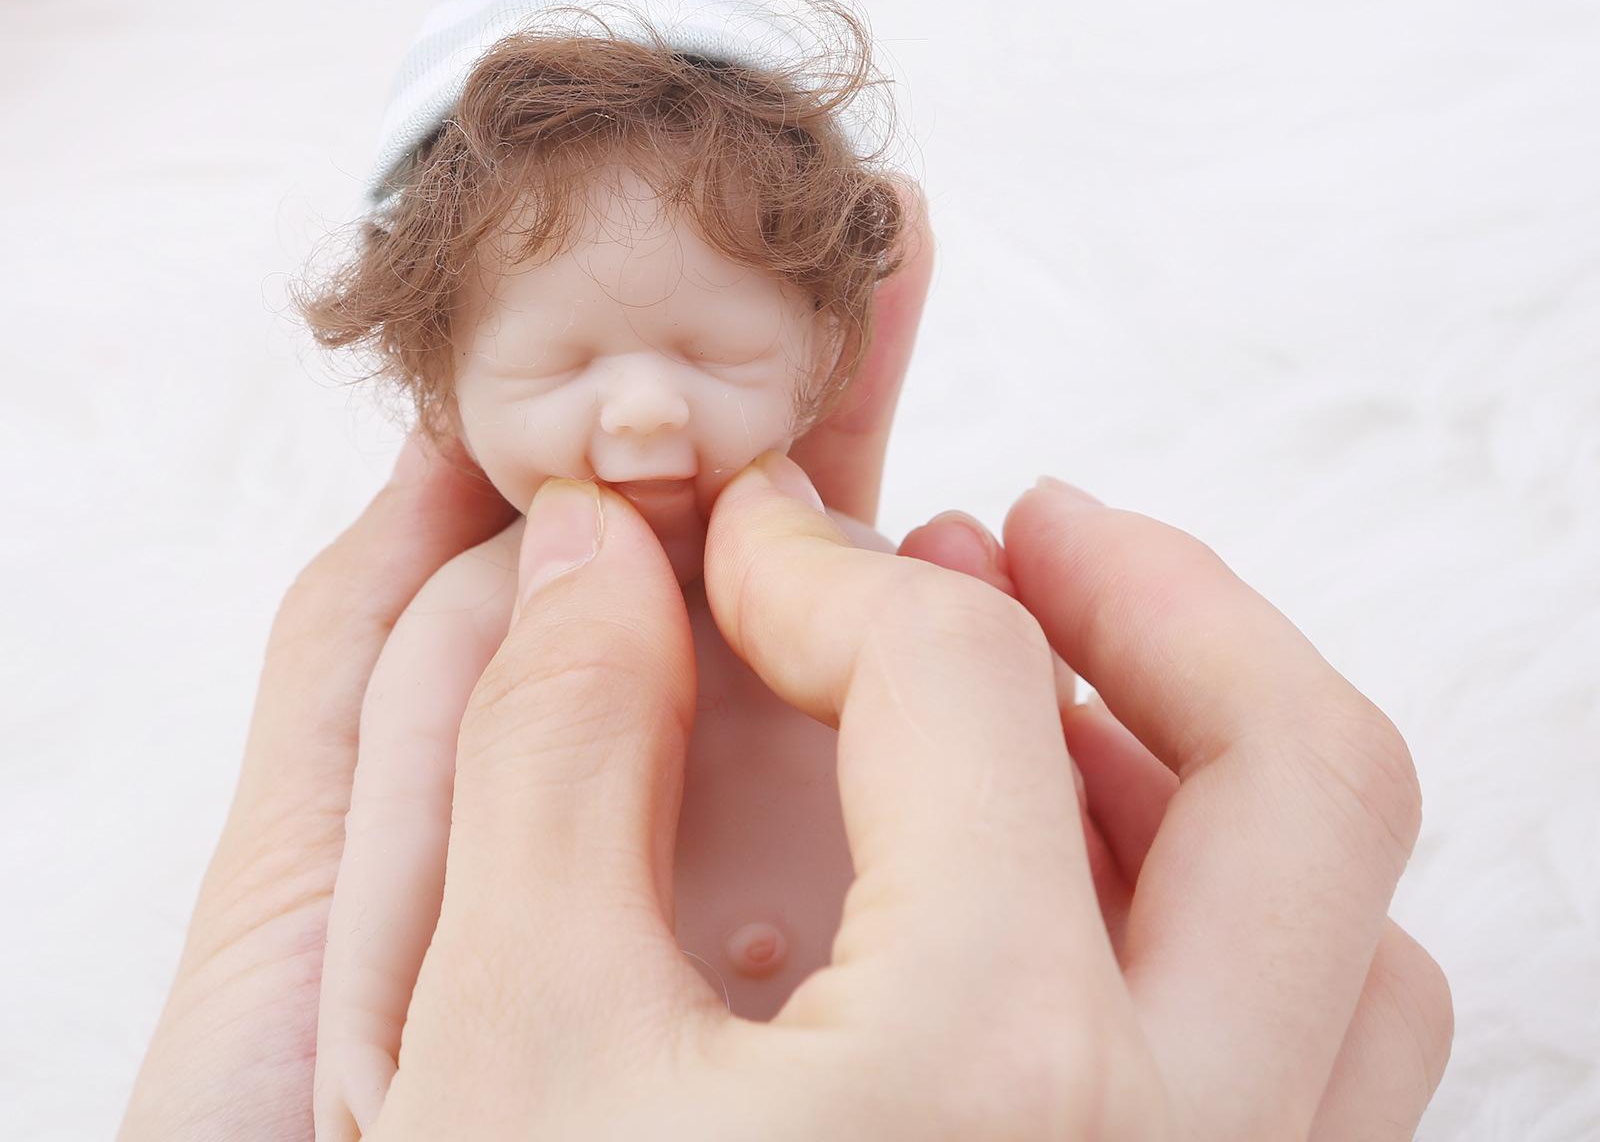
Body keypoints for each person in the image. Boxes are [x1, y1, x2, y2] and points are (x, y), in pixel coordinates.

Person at [117, 436, 1452, 1139]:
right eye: (566, 360)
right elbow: (395, 841)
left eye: (714, 347)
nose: (643, 412)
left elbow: (1003, 790)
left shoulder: (863, 585)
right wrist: (352, 1033)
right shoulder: (477, 615)